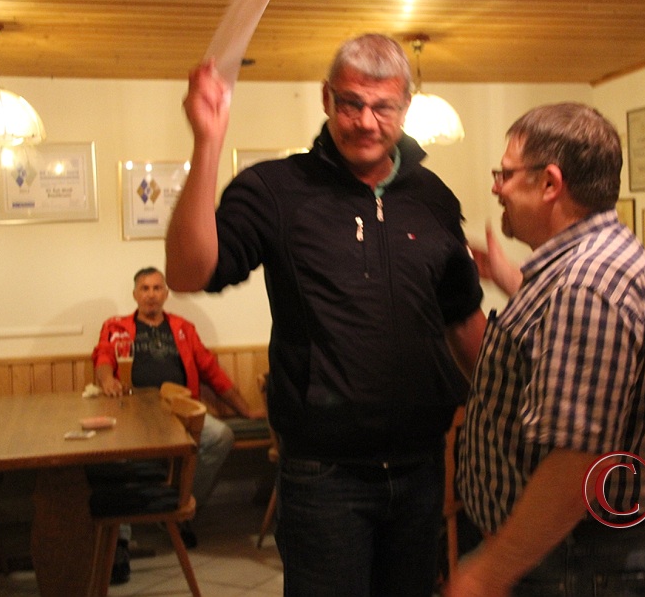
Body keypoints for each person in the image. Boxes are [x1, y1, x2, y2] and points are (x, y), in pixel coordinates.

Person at [166, 33, 486, 597]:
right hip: (323, 476)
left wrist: (512, 403)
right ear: (326, 98)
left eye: (383, 107)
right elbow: (188, 272)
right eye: (350, 103)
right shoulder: (276, 189)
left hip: (421, 467)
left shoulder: (433, 197)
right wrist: (208, 141)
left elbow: (462, 319)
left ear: (405, 106)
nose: (366, 121)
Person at [451, 103, 645, 597]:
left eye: (506, 173)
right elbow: (560, 334)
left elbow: (576, 465)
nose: (497, 188)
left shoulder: (586, 285)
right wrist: (509, 279)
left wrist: (487, 573)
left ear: (550, 183)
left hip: (578, 561)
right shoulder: (593, 262)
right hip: (574, 556)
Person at [91, 266, 263, 584]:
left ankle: (179, 505)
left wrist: (246, 410)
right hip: (132, 414)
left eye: (157, 288)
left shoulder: (183, 328)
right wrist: (107, 380)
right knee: (114, 456)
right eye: (145, 288)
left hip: (178, 411)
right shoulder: (116, 327)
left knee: (220, 436)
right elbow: (102, 357)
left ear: (166, 294)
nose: (151, 294)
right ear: (135, 294)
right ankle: (120, 541)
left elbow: (211, 371)